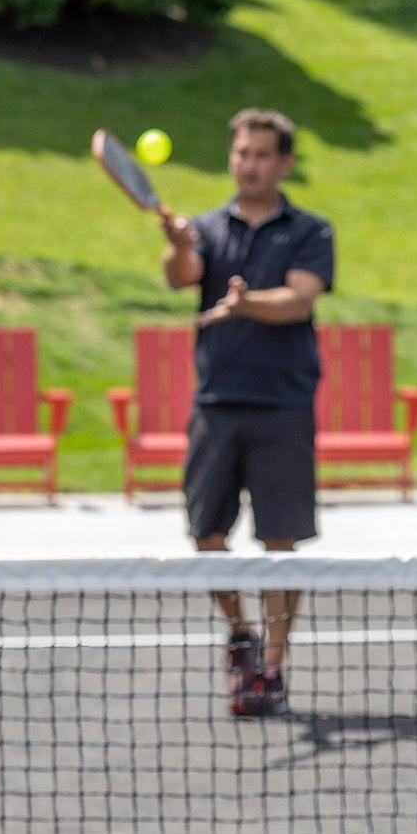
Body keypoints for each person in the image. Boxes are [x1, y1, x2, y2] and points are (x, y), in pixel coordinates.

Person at [160, 108, 334, 718]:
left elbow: (299, 299)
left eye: (262, 154)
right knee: (205, 534)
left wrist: (245, 303)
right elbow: (182, 278)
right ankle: (240, 636)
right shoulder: (206, 228)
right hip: (216, 403)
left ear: (283, 163)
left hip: (283, 404)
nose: (249, 164)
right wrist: (180, 248)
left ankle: (273, 668)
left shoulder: (311, 230)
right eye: (241, 153)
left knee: (278, 543)